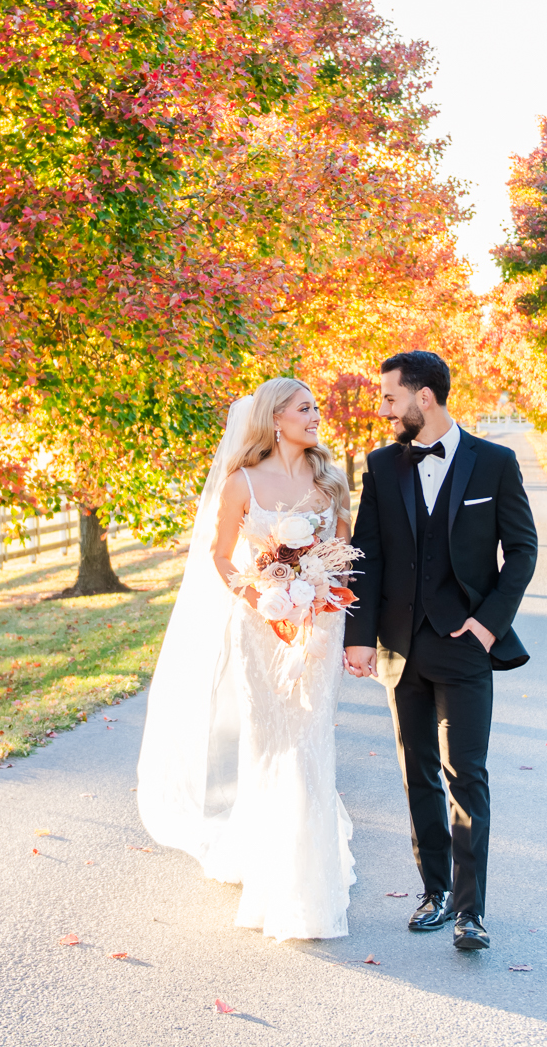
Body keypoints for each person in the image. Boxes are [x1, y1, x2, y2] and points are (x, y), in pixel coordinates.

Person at [135, 377, 357, 940]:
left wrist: (320, 588)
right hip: (261, 626)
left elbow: (346, 553)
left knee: (310, 739)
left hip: (321, 625)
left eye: (314, 408)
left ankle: (310, 884)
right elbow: (219, 556)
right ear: (275, 416)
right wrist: (261, 594)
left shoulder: (329, 480)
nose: (316, 417)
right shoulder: (241, 482)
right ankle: (268, 864)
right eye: (305, 408)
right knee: (270, 740)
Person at [342, 350, 536, 952]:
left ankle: (471, 912)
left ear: (423, 398)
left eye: (390, 398)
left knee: (467, 775)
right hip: (401, 649)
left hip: (466, 648)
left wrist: (486, 625)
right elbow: (365, 558)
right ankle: (436, 891)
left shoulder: (495, 463)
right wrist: (358, 637)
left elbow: (522, 552)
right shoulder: (380, 466)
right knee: (417, 774)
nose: (383, 410)